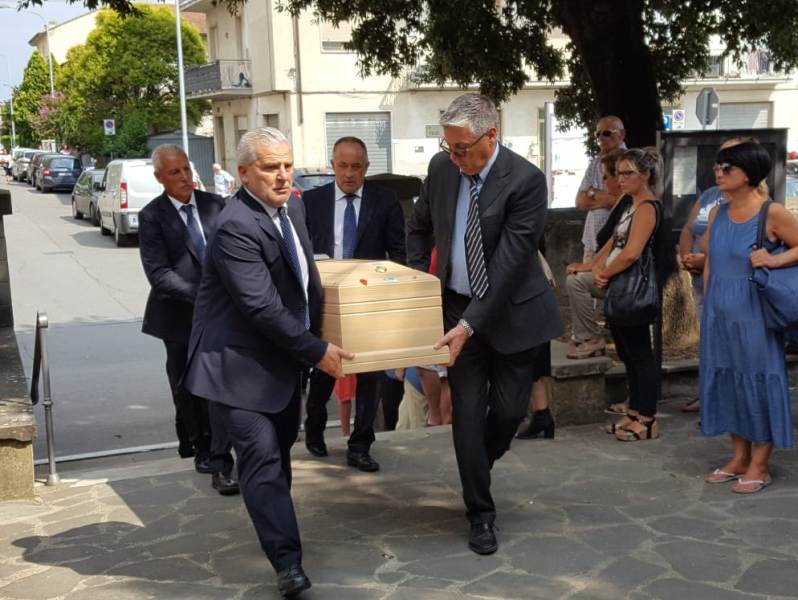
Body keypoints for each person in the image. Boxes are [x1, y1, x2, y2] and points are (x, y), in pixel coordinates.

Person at [182, 127, 353, 597]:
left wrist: (329, 332)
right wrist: (317, 351)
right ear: (243, 173)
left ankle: (280, 536)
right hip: (235, 368)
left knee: (278, 459)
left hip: (282, 360)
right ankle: (288, 564)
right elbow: (260, 306)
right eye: (270, 167)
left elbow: (305, 281)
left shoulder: (292, 208)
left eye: (287, 165)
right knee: (260, 460)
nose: (282, 176)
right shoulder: (234, 225)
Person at [406, 93, 563, 555]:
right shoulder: (442, 169)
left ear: (490, 136)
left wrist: (471, 323)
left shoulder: (526, 181)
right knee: (467, 415)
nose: (454, 158)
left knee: (510, 413)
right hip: (456, 308)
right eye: (449, 147)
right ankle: (480, 513)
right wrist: (420, 278)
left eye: (461, 149)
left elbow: (510, 264)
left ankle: (477, 464)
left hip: (512, 315)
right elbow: (418, 225)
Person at [301, 136, 406, 472]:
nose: (349, 173)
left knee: (370, 377)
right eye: (343, 166)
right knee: (324, 370)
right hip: (324, 302)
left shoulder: (384, 201)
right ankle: (314, 428)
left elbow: (398, 253)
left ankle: (360, 445)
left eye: (356, 167)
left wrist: (392, 293)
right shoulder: (311, 201)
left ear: (366, 168)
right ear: (332, 165)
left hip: (368, 303)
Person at [138, 144, 237, 496]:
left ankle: (220, 447)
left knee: (221, 382)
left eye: (186, 169)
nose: (184, 177)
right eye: (174, 172)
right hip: (179, 316)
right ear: (160, 178)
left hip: (222, 314)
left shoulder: (215, 205)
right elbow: (159, 274)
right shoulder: (152, 216)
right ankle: (200, 447)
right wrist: (203, 296)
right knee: (187, 385)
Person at [700, 140, 798, 493]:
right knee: (727, 380)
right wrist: (708, 306)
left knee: (758, 380)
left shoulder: (772, 212)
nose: (719, 172)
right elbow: (711, 262)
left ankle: (760, 464)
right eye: (718, 166)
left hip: (754, 312)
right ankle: (739, 457)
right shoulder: (717, 213)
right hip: (719, 312)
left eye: (727, 167)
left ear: (748, 173)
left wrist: (774, 259)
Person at [597, 148, 663, 442]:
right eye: (619, 173)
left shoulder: (647, 207)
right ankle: (635, 411)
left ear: (645, 175)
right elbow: (615, 245)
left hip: (634, 288)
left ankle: (647, 418)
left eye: (628, 173)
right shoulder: (630, 205)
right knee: (628, 353)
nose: (621, 179)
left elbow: (632, 252)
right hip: (621, 287)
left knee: (640, 354)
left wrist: (605, 273)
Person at [569, 116, 627, 358]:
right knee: (579, 281)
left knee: (581, 283)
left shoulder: (626, 161)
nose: (600, 138)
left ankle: (594, 337)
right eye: (597, 134)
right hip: (594, 240)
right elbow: (580, 200)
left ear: (621, 134)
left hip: (620, 261)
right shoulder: (596, 162)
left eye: (606, 133)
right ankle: (588, 336)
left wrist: (596, 195)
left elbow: (622, 200)